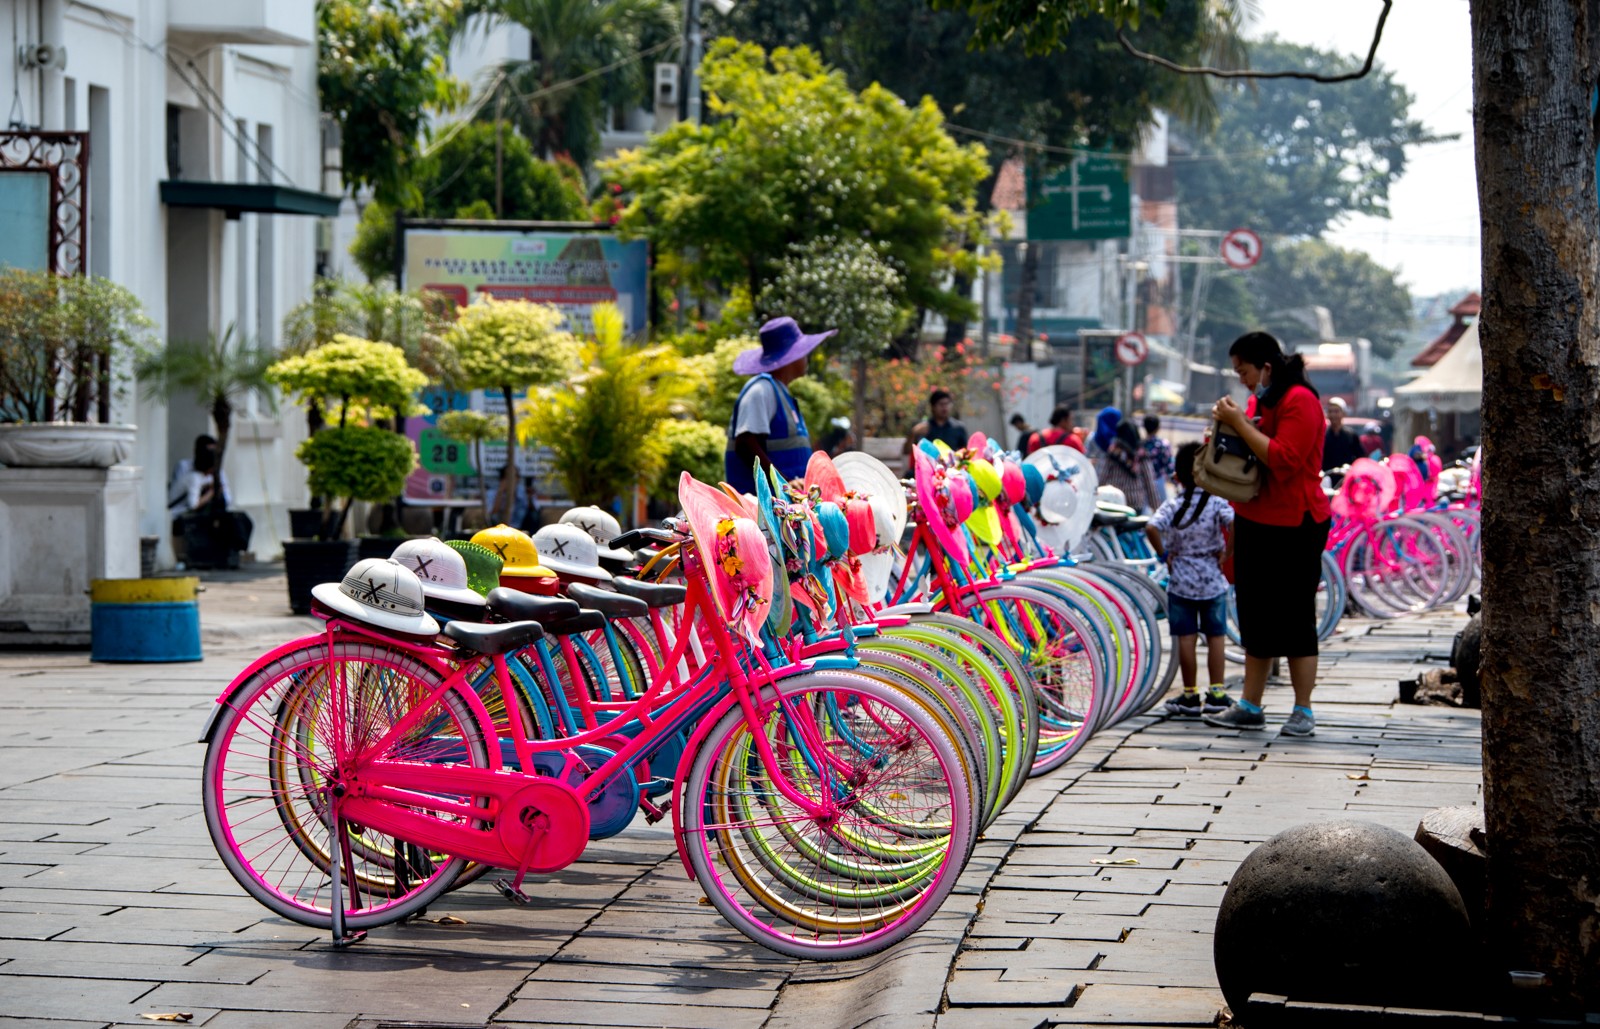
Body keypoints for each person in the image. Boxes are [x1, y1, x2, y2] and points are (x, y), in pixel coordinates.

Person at [1204, 331, 1331, 737]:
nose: (1242, 380)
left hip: (1296, 522)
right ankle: (1250, 704)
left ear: (1267, 367)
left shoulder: (1301, 401)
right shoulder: (1263, 400)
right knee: (1254, 614)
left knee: (1295, 617)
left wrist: (1239, 421)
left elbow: (1284, 460)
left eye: (1244, 371)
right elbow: (1253, 453)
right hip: (1256, 516)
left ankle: (1303, 710)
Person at [1146, 442, 1235, 718]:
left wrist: (1164, 555)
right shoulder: (1217, 503)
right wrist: (1227, 553)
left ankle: (1189, 695)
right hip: (1211, 578)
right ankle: (1217, 694)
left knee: (1186, 638)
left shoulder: (1173, 505)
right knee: (1216, 637)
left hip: (1181, 579)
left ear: (1178, 476)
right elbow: (1236, 523)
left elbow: (1151, 526)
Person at [725, 316, 835, 494]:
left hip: (785, 509)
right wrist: (784, 484)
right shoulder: (761, 390)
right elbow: (745, 444)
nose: (806, 357)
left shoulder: (781, 393)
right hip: (760, 509)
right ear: (790, 357)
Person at [169, 435, 253, 569]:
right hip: (181, 514)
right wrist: (210, 493)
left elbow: (227, 497)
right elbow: (193, 504)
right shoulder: (191, 475)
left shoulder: (205, 476)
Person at [1092, 407, 1161, 513]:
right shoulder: (1141, 455)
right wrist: (1156, 509)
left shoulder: (1112, 453)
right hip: (1135, 506)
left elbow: (1101, 478)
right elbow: (1150, 484)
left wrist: (1093, 499)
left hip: (1114, 504)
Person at [905, 388, 968, 454]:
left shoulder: (958, 428)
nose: (944, 407)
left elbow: (965, 453)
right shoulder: (923, 428)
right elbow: (906, 451)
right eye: (941, 404)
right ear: (933, 407)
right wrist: (913, 433)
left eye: (947, 404)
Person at [1321, 397, 1366, 473]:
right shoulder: (1323, 436)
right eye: (1330, 411)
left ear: (1343, 413)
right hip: (1326, 478)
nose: (1333, 415)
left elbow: (1360, 458)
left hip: (1346, 477)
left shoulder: (1351, 435)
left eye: (1336, 411)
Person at [1142, 414, 1174, 498]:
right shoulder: (1163, 444)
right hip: (1158, 481)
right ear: (1158, 428)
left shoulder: (1140, 445)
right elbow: (1169, 466)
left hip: (1142, 483)